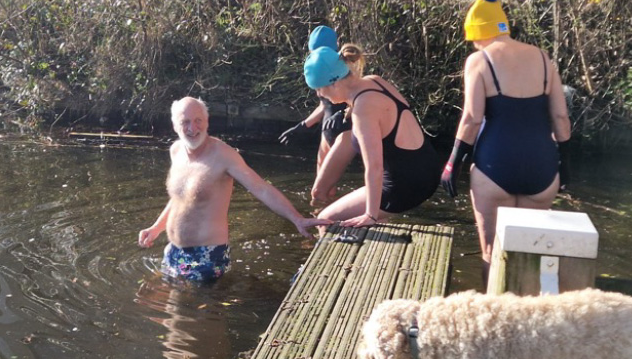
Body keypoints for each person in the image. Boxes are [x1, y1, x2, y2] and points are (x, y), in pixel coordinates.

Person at [439, 0, 572, 282]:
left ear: (478, 32)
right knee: (528, 254)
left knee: (491, 253)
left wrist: (452, 164)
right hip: (542, 169)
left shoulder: (479, 61)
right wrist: (565, 165)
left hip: (494, 167)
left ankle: (492, 307)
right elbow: (561, 118)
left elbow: (472, 119)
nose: (474, 46)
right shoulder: (543, 58)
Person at [138, 97, 332, 282]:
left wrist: (297, 218)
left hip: (207, 256)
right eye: (185, 122)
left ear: (207, 121)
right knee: (153, 299)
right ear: (175, 125)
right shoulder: (176, 151)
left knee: (184, 305)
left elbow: (261, 188)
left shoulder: (224, 155)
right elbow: (179, 199)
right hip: (174, 251)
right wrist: (156, 228)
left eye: (198, 120)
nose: (193, 128)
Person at [302, 45, 441, 227]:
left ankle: (367, 225)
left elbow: (374, 167)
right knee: (366, 216)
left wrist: (370, 214)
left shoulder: (363, 109)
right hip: (429, 170)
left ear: (334, 83)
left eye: (319, 89)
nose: (319, 95)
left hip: (406, 185)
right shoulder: (375, 81)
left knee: (325, 220)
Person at [278, 26, 362, 206]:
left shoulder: (341, 70)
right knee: (324, 187)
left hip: (343, 129)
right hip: (328, 128)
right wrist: (303, 125)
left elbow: (359, 98)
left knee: (319, 191)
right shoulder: (321, 69)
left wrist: (344, 113)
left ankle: (327, 217)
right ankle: (326, 215)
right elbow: (325, 104)